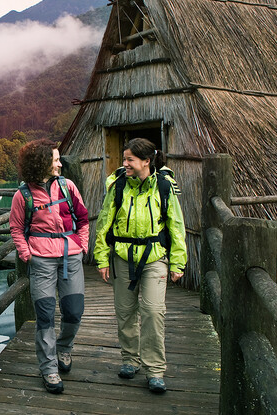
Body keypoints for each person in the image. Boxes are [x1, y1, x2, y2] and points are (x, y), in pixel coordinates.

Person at [93, 138, 187, 394]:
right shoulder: (119, 185)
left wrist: (178, 261)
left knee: (153, 312)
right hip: (122, 257)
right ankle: (130, 359)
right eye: (124, 160)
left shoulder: (164, 187)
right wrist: (102, 258)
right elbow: (104, 223)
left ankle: (155, 370)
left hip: (154, 258)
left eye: (129, 160)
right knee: (125, 312)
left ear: (146, 161)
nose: (125, 164)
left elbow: (176, 226)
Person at [10, 139, 89, 394]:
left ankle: (64, 349)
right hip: (41, 260)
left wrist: (83, 245)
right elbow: (16, 227)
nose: (59, 163)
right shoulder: (22, 195)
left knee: (74, 311)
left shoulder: (68, 187)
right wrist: (26, 253)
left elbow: (84, 218)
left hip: (71, 256)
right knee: (44, 316)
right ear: (41, 163)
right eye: (55, 159)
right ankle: (49, 369)